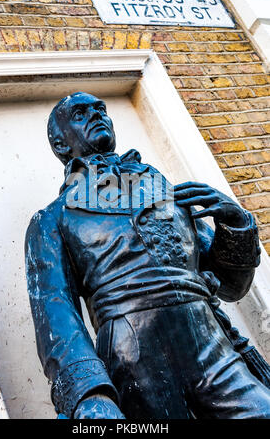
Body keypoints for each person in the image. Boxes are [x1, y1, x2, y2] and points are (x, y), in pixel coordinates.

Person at [25, 92, 270, 419]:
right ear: (60, 144)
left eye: (101, 110)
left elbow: (229, 286)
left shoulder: (164, 193)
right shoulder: (52, 218)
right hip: (134, 360)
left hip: (214, 346)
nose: (97, 115)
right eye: (81, 114)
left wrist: (235, 223)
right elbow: (57, 316)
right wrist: (90, 397)